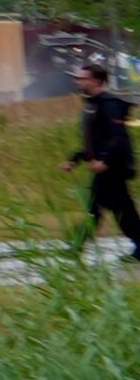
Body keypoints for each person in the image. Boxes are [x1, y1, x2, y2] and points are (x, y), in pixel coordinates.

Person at [73, 62, 136, 259]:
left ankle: (77, 246)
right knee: (120, 210)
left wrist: (105, 161)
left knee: (99, 209)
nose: (78, 82)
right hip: (105, 167)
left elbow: (118, 137)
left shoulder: (109, 105)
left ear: (96, 81)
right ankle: (78, 245)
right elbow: (96, 140)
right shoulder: (93, 105)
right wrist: (76, 159)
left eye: (82, 78)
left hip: (113, 168)